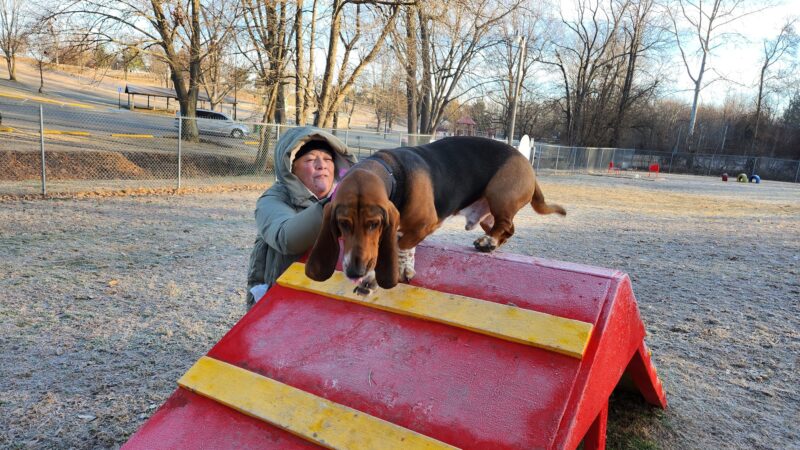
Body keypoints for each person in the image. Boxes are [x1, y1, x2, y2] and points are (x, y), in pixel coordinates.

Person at [246, 126, 357, 308]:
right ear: (292, 168)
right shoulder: (272, 199)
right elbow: (286, 238)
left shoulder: (349, 201)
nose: (322, 164)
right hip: (283, 303)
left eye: (328, 159)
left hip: (333, 300)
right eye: (310, 159)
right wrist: (331, 207)